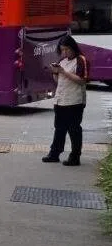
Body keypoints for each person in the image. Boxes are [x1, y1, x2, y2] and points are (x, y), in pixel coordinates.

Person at [43, 35, 88, 166]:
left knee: (74, 129)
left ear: (73, 47)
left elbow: (81, 80)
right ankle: (54, 153)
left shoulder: (81, 60)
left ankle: (75, 156)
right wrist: (55, 72)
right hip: (61, 100)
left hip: (75, 100)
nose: (65, 53)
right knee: (59, 128)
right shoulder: (62, 61)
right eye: (62, 50)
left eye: (67, 50)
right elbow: (59, 81)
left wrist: (63, 71)